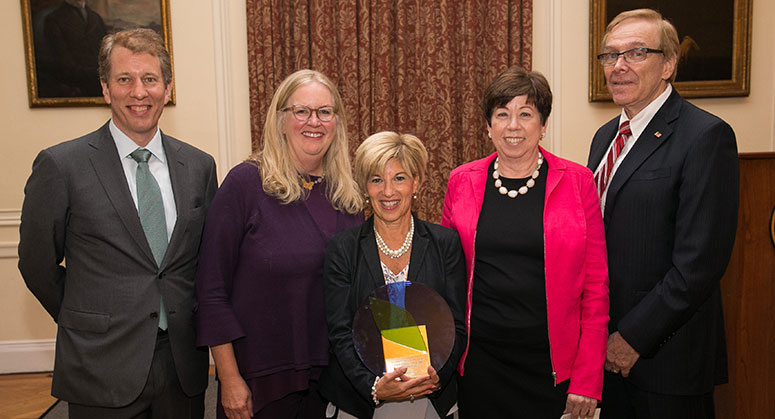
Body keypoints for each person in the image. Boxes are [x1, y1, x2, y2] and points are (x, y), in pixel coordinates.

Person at [18, 28, 217, 418]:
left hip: (182, 364)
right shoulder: (61, 166)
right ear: (106, 89)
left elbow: (206, 262)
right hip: (99, 364)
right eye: (125, 79)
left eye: (150, 79)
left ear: (167, 87)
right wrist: (85, 319)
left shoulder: (199, 166)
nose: (138, 92)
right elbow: (36, 264)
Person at [587, 9, 739, 419]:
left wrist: (632, 338)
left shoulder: (705, 136)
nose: (618, 66)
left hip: (666, 362)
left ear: (668, 64)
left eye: (636, 53)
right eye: (610, 55)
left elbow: (699, 265)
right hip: (604, 355)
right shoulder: (604, 138)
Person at [441, 66, 609, 419]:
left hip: (552, 370)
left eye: (526, 114)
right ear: (488, 126)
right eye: (502, 114)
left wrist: (587, 379)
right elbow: (447, 276)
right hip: (482, 366)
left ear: (543, 123)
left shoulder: (578, 182)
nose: (513, 126)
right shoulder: (462, 181)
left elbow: (596, 289)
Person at [194, 69, 363, 419]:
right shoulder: (245, 185)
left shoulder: (347, 197)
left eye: (325, 112)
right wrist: (228, 378)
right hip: (260, 382)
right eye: (302, 111)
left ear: (337, 122)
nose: (313, 122)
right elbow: (210, 290)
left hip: (332, 380)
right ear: (281, 119)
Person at [321, 131, 467, 418]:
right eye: (377, 179)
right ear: (365, 187)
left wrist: (436, 377)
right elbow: (339, 333)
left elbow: (457, 326)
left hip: (430, 397)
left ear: (417, 182)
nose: (388, 191)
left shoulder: (445, 244)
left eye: (399, 178)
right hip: (361, 401)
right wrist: (374, 387)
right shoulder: (343, 249)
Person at [40, 0, 107, 97]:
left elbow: (105, 54)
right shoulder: (54, 19)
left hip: (98, 86)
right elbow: (62, 62)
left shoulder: (96, 18)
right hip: (74, 87)